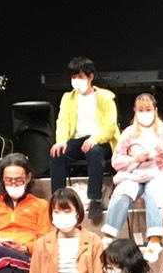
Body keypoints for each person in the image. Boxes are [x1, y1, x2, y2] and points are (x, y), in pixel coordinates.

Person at [100, 92, 163, 260]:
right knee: (122, 194)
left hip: (159, 174)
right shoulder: (129, 133)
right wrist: (134, 158)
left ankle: (154, 239)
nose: (145, 113)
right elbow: (116, 161)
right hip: (134, 175)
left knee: (154, 193)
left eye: (148, 109)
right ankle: (109, 237)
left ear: (155, 110)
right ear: (135, 111)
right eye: (141, 110)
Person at [49, 56, 120, 220]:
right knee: (57, 155)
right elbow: (62, 121)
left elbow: (110, 126)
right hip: (77, 140)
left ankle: (95, 199)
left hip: (100, 140)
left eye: (80, 76)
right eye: (73, 77)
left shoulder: (105, 98)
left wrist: (95, 138)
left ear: (90, 77)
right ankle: (58, 198)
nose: (76, 80)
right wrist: (61, 141)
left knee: (94, 152)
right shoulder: (68, 98)